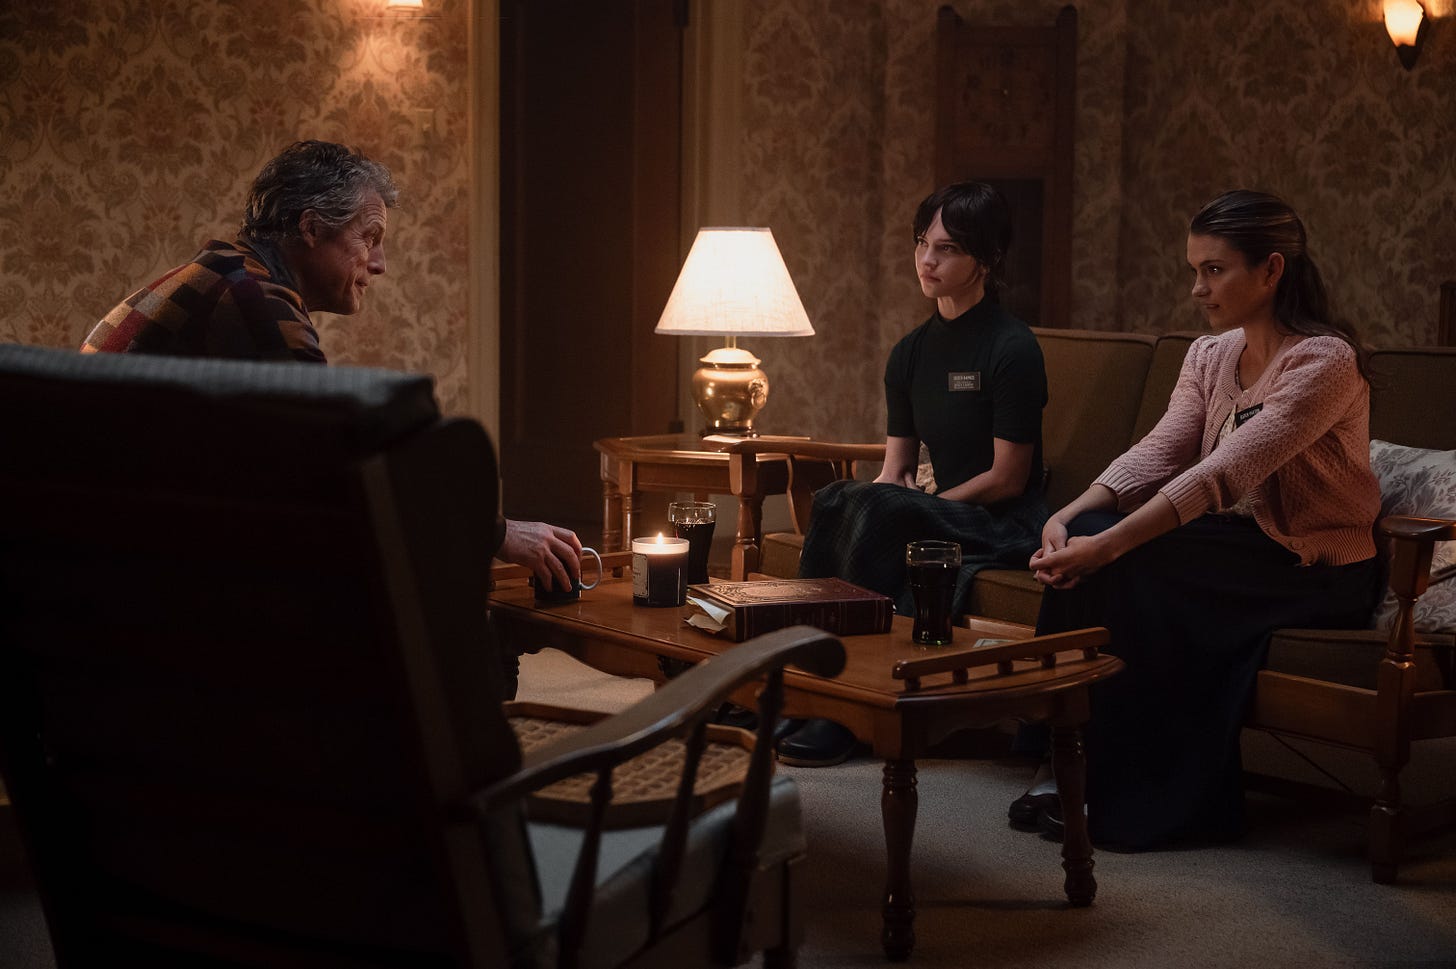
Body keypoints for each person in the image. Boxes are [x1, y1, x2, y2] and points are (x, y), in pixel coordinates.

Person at [1011, 190, 1382, 849]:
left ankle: (1131, 791)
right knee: (1097, 544)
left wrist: (1105, 546)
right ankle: (1060, 758)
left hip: (1309, 563)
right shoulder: (1209, 355)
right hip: (1234, 545)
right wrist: (1070, 515)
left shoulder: (1324, 361)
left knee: (1122, 559)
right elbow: (1163, 448)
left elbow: (1222, 473)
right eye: (1195, 269)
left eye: (1213, 270)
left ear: (1271, 271)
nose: (1196, 288)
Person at [82, 139, 583, 591]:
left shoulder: (226, 274)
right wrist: (494, 532)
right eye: (370, 237)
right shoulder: (253, 300)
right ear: (312, 227)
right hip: (133, 566)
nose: (381, 263)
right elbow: (348, 462)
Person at [780, 181, 1050, 767]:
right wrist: (865, 506)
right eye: (922, 243)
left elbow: (1009, 477)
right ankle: (805, 686)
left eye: (948, 249)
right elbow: (895, 469)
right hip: (941, 508)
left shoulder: (1013, 348)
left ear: (987, 259)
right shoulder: (909, 353)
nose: (927, 260)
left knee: (885, 508)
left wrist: (915, 509)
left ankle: (844, 711)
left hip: (1006, 520)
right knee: (836, 496)